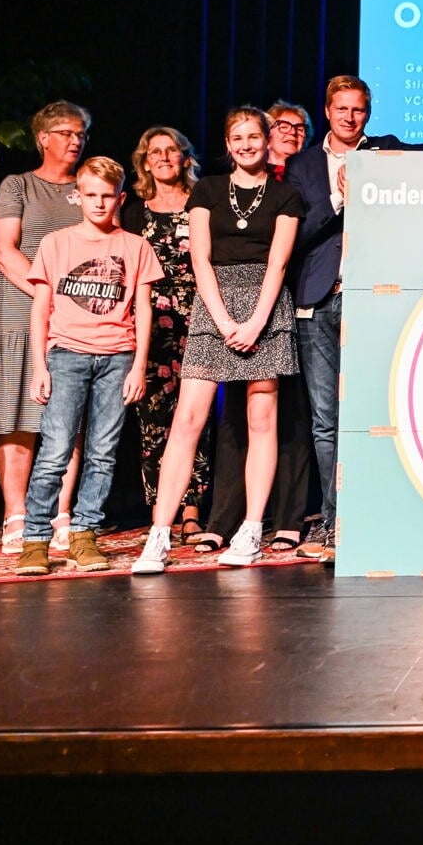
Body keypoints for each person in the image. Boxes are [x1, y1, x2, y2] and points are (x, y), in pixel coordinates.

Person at [133, 107, 305, 573]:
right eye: (237, 137)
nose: (247, 144)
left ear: (267, 141)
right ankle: (159, 535)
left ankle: (250, 530)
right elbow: (201, 261)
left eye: (254, 136)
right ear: (227, 144)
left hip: (266, 307)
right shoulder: (206, 190)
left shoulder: (287, 196)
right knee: (187, 419)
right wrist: (224, 317)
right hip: (214, 305)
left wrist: (254, 323)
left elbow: (278, 265)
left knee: (261, 418)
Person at [285, 76, 423, 563]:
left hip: (373, 300)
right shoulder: (302, 165)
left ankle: (380, 517)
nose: (351, 118)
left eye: (360, 110)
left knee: (376, 415)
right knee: (327, 422)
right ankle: (333, 522)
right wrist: (339, 200)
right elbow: (296, 235)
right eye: (342, 109)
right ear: (326, 111)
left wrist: (378, 175)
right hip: (317, 299)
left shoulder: (384, 151)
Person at [14, 158, 161, 576]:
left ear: (120, 197)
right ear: (77, 196)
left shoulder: (135, 246)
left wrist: (138, 366)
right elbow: (40, 306)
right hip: (66, 355)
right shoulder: (56, 243)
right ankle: (36, 539)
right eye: (91, 195)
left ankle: (83, 534)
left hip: (118, 357)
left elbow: (144, 309)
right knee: (55, 450)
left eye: (107, 196)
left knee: (102, 452)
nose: (99, 203)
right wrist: (40, 366)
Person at [0, 100, 91, 554]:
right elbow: (4, 249)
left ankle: (60, 514)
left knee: (68, 419)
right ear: (43, 137)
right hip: (22, 310)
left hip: (79, 314)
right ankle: (17, 515)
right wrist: (49, 295)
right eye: (65, 132)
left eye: (81, 133)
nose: (75, 140)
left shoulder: (88, 186)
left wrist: (75, 302)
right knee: (17, 416)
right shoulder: (18, 185)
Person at [203, 100, 319, 553]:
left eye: (298, 126)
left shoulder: (303, 177)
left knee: (291, 419)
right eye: (281, 126)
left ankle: (287, 518)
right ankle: (225, 518)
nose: (289, 132)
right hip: (238, 306)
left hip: (296, 299)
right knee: (234, 417)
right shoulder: (237, 182)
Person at [119, 126, 214, 538]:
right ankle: (162, 510)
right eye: (154, 152)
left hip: (198, 318)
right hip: (150, 324)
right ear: (144, 162)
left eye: (170, 151)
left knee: (195, 418)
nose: (163, 158)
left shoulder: (202, 202)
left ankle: (192, 510)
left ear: (184, 157)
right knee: (154, 420)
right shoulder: (134, 210)